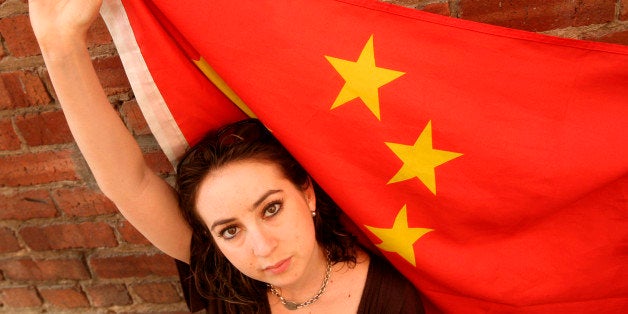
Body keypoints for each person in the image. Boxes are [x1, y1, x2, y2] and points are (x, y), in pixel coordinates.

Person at [29, 1, 424, 312]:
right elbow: (128, 184)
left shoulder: (390, 300)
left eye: (271, 208)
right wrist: (60, 46)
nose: (262, 247)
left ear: (307, 193)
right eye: (229, 231)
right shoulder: (229, 279)